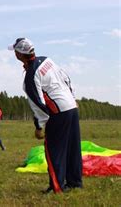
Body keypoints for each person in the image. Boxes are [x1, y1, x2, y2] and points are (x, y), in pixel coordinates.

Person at [8, 37, 82, 193]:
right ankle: (75, 182)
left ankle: (57, 187)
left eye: (15, 51)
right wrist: (72, 97)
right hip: (71, 106)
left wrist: (39, 126)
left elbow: (38, 104)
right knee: (72, 147)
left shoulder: (30, 76)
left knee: (54, 149)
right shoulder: (47, 60)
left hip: (58, 112)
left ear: (19, 54)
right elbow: (66, 78)